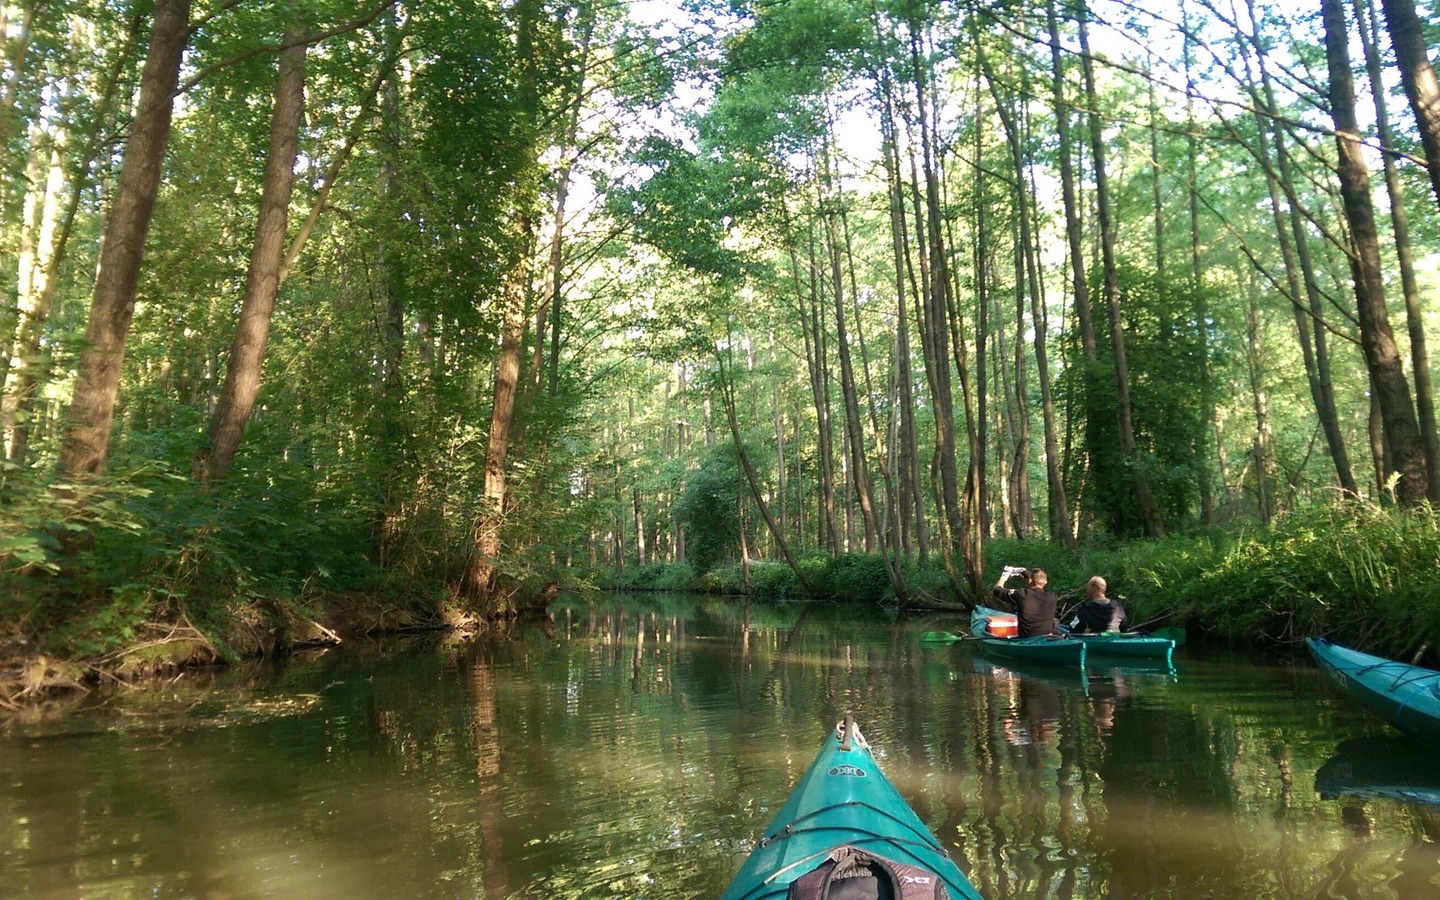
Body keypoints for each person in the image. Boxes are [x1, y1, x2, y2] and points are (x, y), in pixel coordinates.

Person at [993, 566, 1060, 637]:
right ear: (1045, 582)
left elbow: (997, 590)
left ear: (1030, 581)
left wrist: (1004, 577)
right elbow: (1043, 586)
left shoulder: (1022, 594)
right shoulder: (1053, 596)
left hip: (1027, 638)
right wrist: (1028, 574)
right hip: (1046, 636)